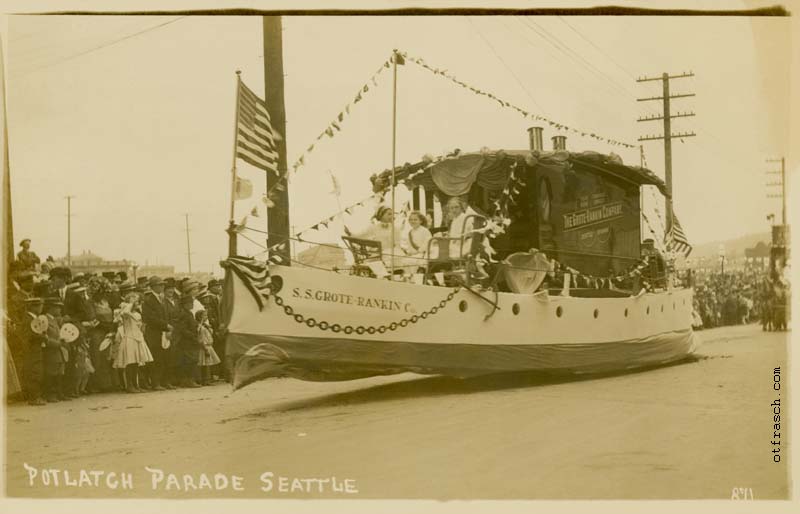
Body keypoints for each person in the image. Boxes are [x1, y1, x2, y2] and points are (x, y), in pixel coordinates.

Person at [112, 292, 153, 393]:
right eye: (133, 299)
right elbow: (125, 312)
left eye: (137, 300)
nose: (136, 302)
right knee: (130, 363)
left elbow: (140, 326)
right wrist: (129, 303)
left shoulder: (138, 313)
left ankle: (135, 384)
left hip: (138, 338)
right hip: (129, 338)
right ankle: (129, 385)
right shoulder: (125, 312)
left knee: (136, 363)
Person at [142, 276, 171, 390]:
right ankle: (156, 382)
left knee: (165, 357)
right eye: (160, 285)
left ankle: (165, 381)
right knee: (156, 357)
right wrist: (165, 325)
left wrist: (168, 328)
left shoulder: (162, 299)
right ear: (153, 287)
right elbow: (150, 318)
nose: (162, 287)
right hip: (153, 333)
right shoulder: (148, 300)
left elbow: (167, 315)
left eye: (163, 285)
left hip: (164, 332)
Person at [20, 297, 47, 405]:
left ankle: (36, 396)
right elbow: (28, 336)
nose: (41, 308)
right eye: (39, 305)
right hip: (32, 350)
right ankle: (34, 397)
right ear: (33, 307)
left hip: (36, 349)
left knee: (37, 372)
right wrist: (42, 337)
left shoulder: (34, 318)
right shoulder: (28, 319)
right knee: (34, 373)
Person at [42, 297, 68, 402]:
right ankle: (50, 395)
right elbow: (45, 337)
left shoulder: (53, 319)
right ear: (50, 308)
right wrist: (58, 343)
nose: (60, 310)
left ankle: (59, 393)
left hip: (58, 350)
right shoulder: (44, 320)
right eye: (57, 307)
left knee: (59, 373)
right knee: (51, 373)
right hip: (51, 350)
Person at [173, 294, 202, 388]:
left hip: (190, 340)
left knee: (191, 360)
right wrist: (192, 335)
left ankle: (188, 380)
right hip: (186, 341)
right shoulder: (183, 313)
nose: (192, 304)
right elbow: (182, 328)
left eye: (192, 303)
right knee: (189, 360)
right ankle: (187, 380)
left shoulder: (189, 313)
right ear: (185, 304)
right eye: (190, 303)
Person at [196, 309, 221, 385]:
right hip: (204, 345)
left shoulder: (205, 325)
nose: (206, 317)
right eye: (204, 315)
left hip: (209, 345)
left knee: (208, 363)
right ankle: (204, 380)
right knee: (205, 363)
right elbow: (200, 337)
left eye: (206, 315)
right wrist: (205, 347)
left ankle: (207, 379)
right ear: (200, 317)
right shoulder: (199, 326)